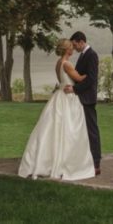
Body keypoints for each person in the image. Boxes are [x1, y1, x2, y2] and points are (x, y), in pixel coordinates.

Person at [18, 39, 95, 180]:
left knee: (53, 129)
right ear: (67, 50)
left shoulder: (58, 63)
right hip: (68, 98)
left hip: (59, 96)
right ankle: (65, 163)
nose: (73, 49)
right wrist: (92, 74)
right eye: (71, 47)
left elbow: (62, 81)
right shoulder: (67, 64)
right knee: (68, 131)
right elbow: (79, 78)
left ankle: (48, 160)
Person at [64, 31, 102, 175]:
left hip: (87, 99)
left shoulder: (92, 55)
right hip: (81, 98)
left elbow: (91, 79)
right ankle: (84, 160)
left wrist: (74, 88)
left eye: (75, 45)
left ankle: (96, 163)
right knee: (82, 132)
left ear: (81, 41)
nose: (74, 48)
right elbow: (79, 75)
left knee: (92, 131)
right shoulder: (83, 55)